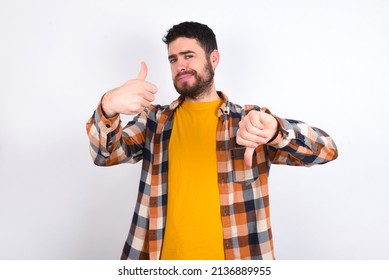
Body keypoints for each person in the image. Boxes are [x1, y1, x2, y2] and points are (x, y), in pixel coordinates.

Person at [86, 21, 338, 260]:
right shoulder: (154, 120)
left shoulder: (251, 121)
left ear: (213, 59)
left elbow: (326, 150)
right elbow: (104, 155)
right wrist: (108, 107)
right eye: (173, 59)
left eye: (188, 56)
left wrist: (276, 132)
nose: (179, 65)